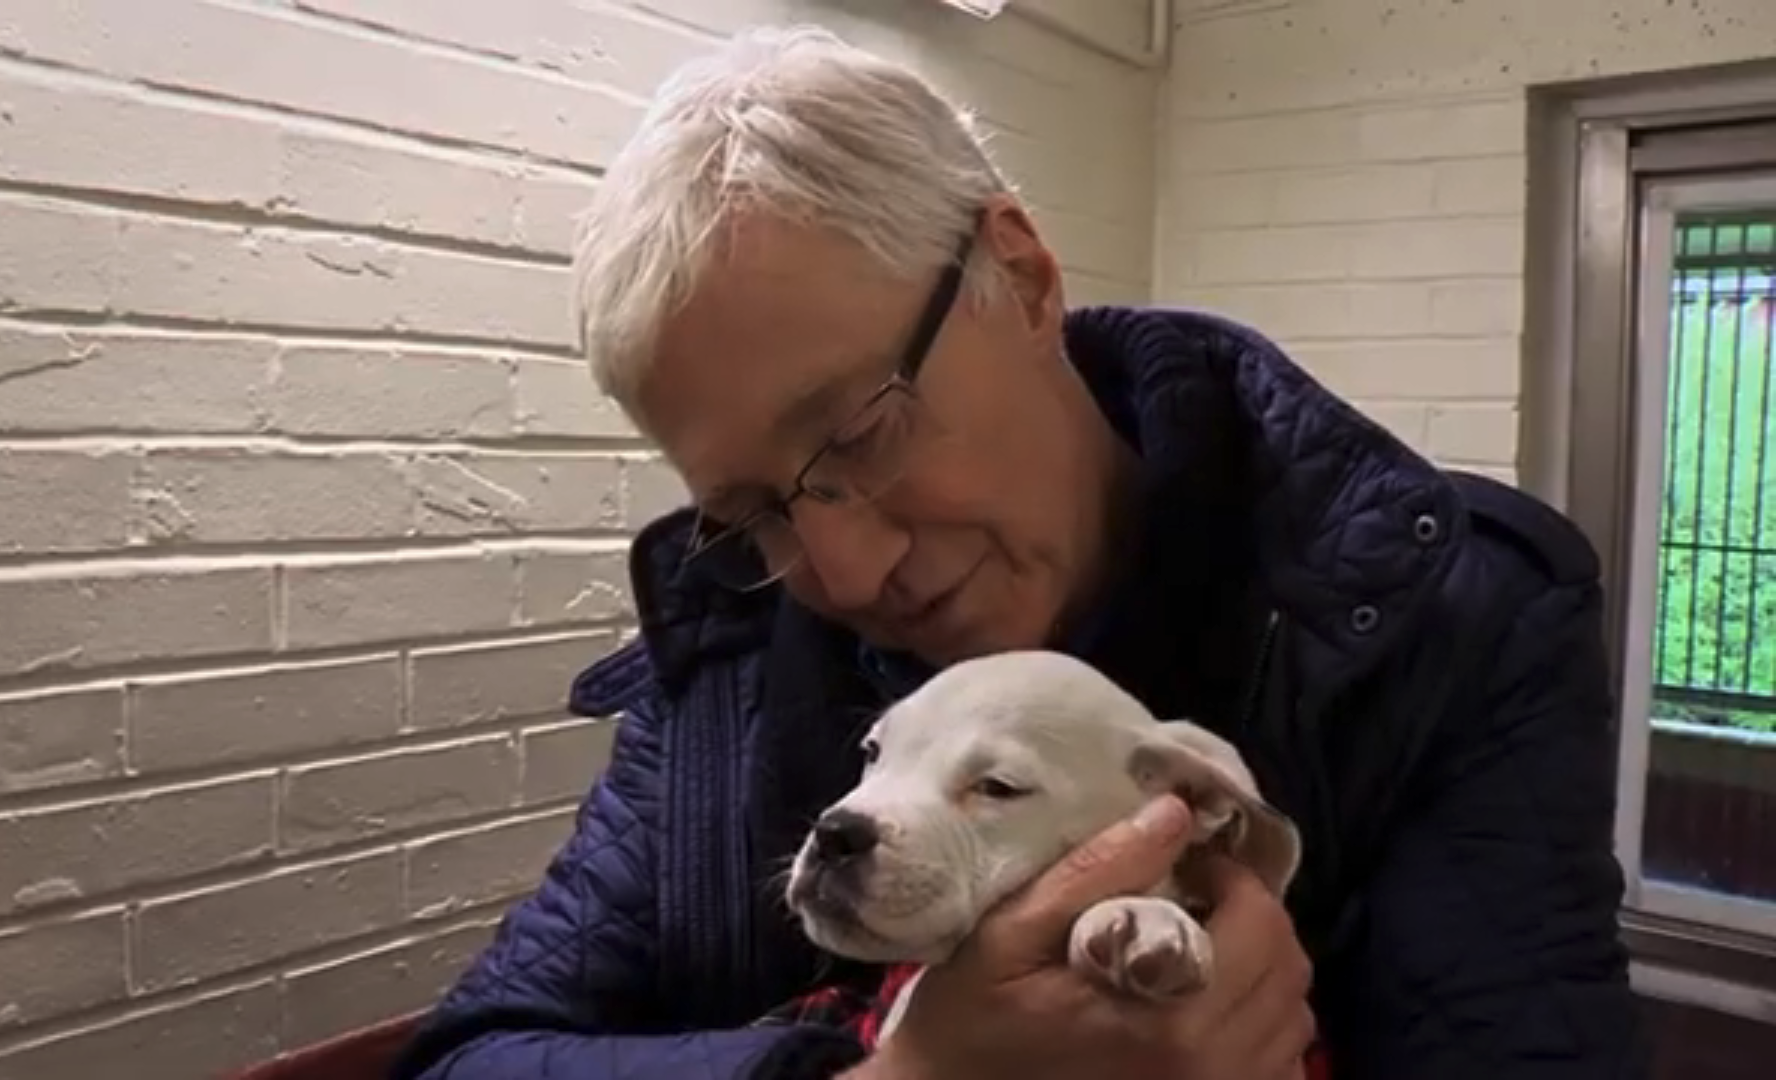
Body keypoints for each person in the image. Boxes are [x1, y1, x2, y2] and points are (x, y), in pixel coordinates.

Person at [390, 24, 1646, 1080]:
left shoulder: (1452, 622)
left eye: (862, 431)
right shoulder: (727, 655)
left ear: (1023, 276)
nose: (842, 572)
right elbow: (469, 1060)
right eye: (755, 512)